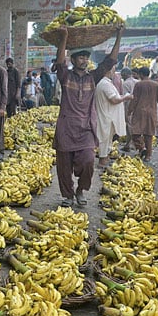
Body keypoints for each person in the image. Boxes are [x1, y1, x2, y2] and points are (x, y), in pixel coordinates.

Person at [53, 26, 124, 208]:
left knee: (88, 161)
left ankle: (80, 190)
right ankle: (67, 195)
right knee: (64, 166)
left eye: (86, 57)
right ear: (74, 59)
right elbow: (60, 63)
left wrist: (119, 36)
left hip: (86, 129)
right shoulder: (66, 76)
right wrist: (64, 38)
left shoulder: (93, 77)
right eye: (81, 57)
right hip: (66, 128)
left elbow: (110, 61)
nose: (84, 60)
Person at [95, 65, 133, 168]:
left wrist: (123, 97)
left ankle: (105, 157)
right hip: (106, 116)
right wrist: (126, 97)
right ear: (108, 71)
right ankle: (102, 161)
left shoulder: (106, 83)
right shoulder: (105, 84)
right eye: (113, 70)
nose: (114, 73)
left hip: (108, 115)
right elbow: (114, 100)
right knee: (104, 138)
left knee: (108, 138)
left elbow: (115, 97)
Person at [126, 67, 158, 162]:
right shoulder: (155, 85)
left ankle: (142, 148)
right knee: (148, 135)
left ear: (141, 74)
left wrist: (129, 111)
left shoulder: (138, 84)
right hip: (152, 113)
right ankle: (148, 155)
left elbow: (134, 99)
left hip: (139, 112)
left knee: (135, 133)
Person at [120, 67, 138, 152]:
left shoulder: (125, 83)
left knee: (129, 126)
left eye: (122, 75)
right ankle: (135, 144)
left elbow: (125, 97)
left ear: (125, 74)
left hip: (129, 107)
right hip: (137, 107)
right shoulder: (137, 82)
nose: (122, 76)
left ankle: (129, 144)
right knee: (136, 126)